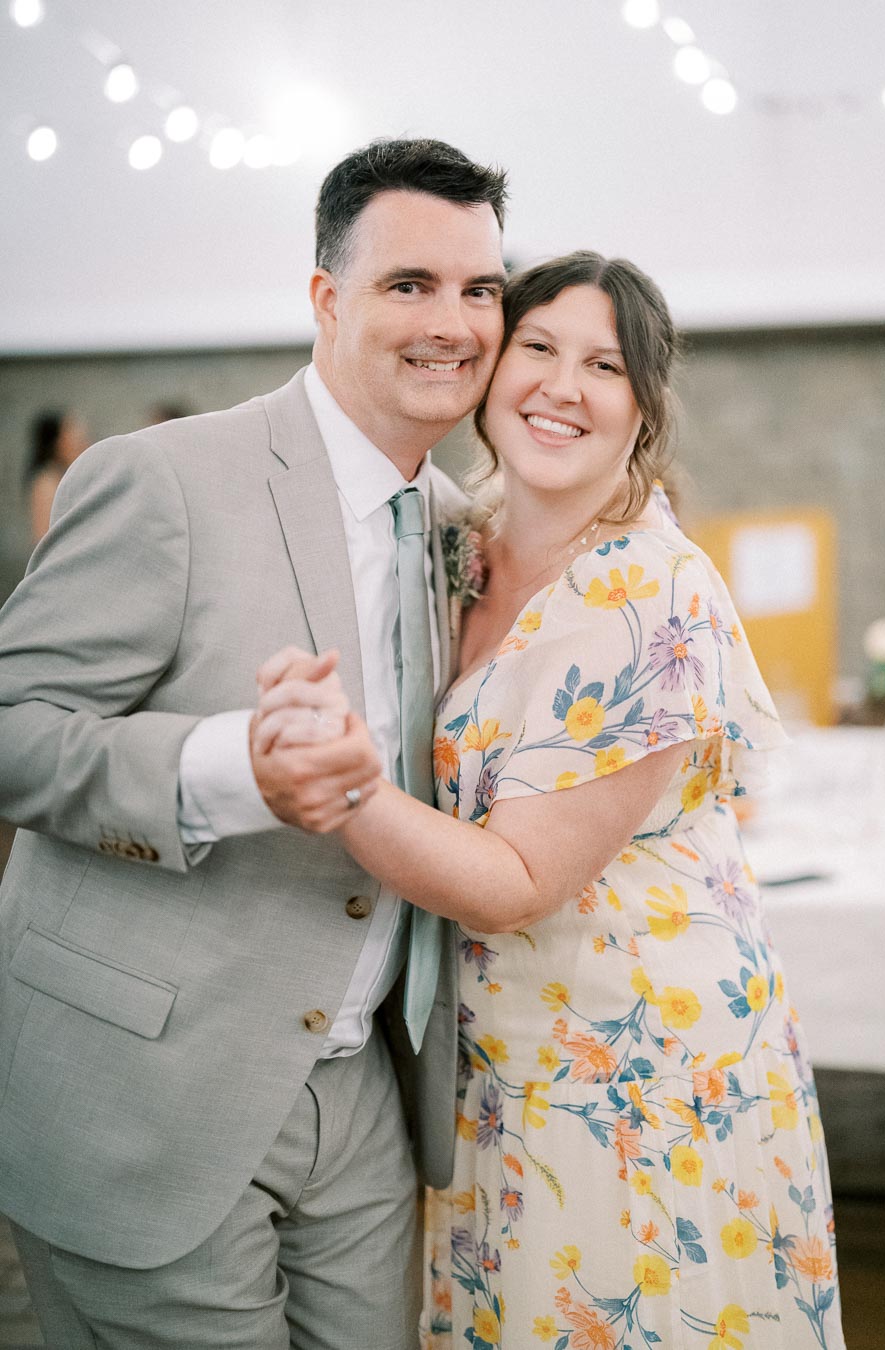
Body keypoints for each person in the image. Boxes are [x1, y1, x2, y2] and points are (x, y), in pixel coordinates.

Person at [255, 253, 845, 1348]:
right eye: (538, 348)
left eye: (604, 365)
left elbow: (518, 883)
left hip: (636, 1077)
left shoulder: (640, 585)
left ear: (644, 408)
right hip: (507, 1059)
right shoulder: (459, 540)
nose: (560, 386)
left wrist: (340, 790)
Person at [0, 138, 508, 1350]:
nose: (455, 323)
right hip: (154, 1094)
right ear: (327, 298)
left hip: (368, 1100)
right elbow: (16, 730)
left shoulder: (462, 530)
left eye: (481, 289)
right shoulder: (165, 480)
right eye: (410, 285)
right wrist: (228, 769)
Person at [26, 410, 90, 543]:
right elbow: (45, 538)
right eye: (77, 440)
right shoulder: (46, 483)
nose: (85, 445)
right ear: (56, 444)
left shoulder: (64, 477)